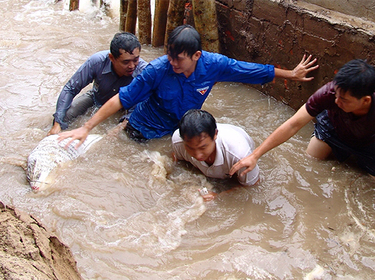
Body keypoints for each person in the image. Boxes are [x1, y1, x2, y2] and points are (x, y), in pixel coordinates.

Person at [58, 24, 318, 147]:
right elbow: (122, 99)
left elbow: (249, 71)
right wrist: (86, 127)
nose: (172, 63)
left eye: (178, 59)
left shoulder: (214, 65)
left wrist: (291, 75)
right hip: (142, 128)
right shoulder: (158, 69)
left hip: (179, 132)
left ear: (196, 56)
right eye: (169, 56)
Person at [230, 59, 375, 210]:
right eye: (336, 95)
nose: (336, 101)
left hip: (369, 142)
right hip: (333, 130)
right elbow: (293, 124)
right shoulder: (330, 92)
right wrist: (255, 155)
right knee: (310, 161)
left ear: (365, 100)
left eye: (343, 100)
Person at [47, 32, 148, 135]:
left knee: (127, 134)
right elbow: (70, 88)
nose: (132, 66)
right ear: (112, 58)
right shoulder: (97, 62)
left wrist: (122, 125)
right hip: (97, 98)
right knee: (64, 117)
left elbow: (145, 104)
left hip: (128, 108)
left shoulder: (144, 71)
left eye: (135, 60)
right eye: (125, 62)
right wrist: (57, 124)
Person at [172, 109, 259, 199]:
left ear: (215, 134)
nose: (198, 155)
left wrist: (219, 196)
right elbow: (177, 162)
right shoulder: (178, 142)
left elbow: (253, 186)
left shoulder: (240, 156)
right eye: (190, 148)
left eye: (203, 147)